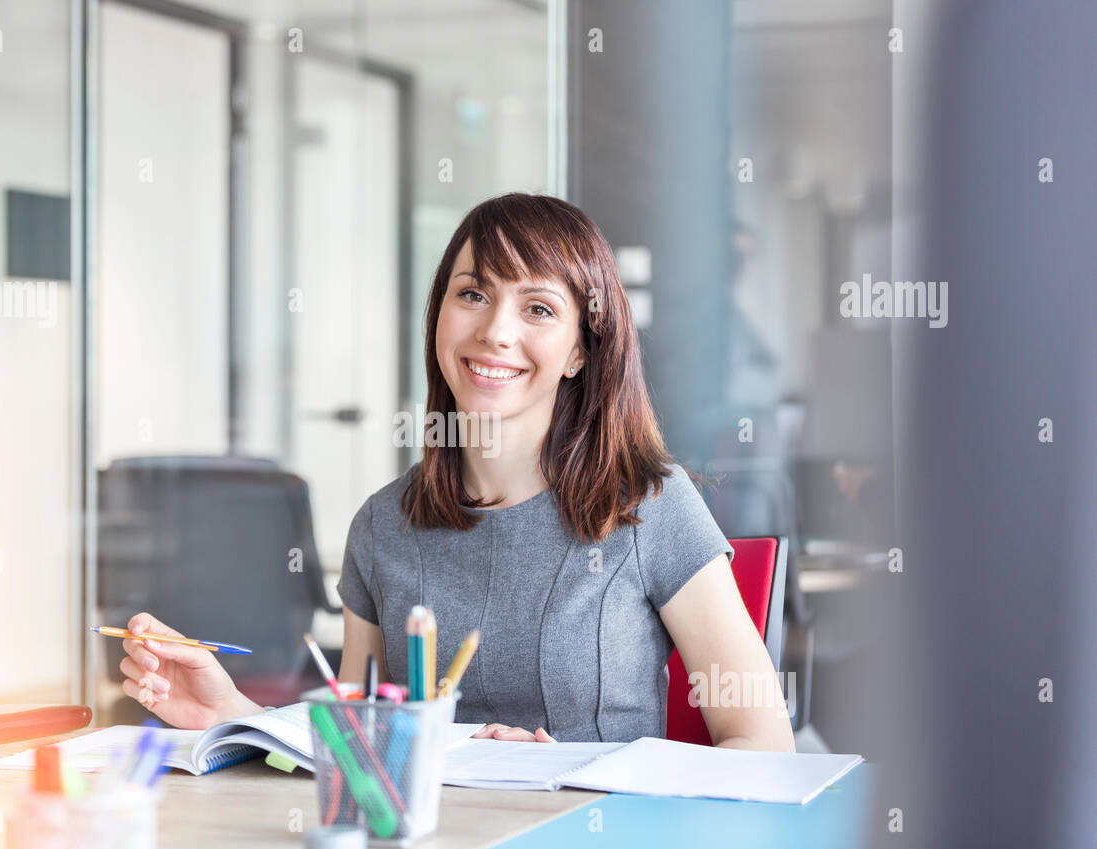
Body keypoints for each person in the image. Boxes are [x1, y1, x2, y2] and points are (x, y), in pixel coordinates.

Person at [119, 193, 794, 750]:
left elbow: (763, 741)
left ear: (580, 354)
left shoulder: (647, 504)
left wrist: (569, 775)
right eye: (473, 294)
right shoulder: (384, 525)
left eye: (538, 308)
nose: (496, 331)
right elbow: (354, 745)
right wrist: (230, 714)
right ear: (439, 312)